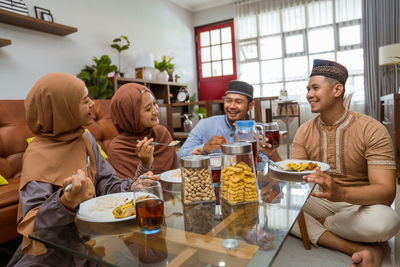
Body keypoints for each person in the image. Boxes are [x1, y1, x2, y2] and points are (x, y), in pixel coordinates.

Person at [7, 73, 151, 266]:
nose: (92, 104)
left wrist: (134, 184)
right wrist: (66, 202)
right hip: (53, 253)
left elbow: (107, 183)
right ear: (62, 109)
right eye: (84, 101)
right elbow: (36, 224)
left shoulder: (85, 138)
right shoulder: (36, 154)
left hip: (91, 241)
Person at [285, 59, 400, 267]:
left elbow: (386, 192)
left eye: (315, 88)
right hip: (318, 198)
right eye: (308, 89)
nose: (308, 94)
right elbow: (296, 179)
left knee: (387, 222)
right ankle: (357, 247)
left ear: (337, 89)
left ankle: (320, 227)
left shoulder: (371, 129)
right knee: (278, 206)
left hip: (360, 203)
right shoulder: (304, 130)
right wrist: (274, 157)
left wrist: (341, 193)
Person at [177, 80, 279, 165]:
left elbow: (265, 167)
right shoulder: (205, 125)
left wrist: (263, 154)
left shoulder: (257, 131)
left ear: (251, 106)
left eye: (238, 102)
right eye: (228, 100)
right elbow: (180, 155)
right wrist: (204, 148)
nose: (232, 106)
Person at [108, 83, 178, 178]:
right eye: (148, 109)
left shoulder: (162, 134)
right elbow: (128, 188)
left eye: (154, 103)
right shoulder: (118, 148)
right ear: (130, 115)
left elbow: (176, 175)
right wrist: (145, 164)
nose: (156, 111)